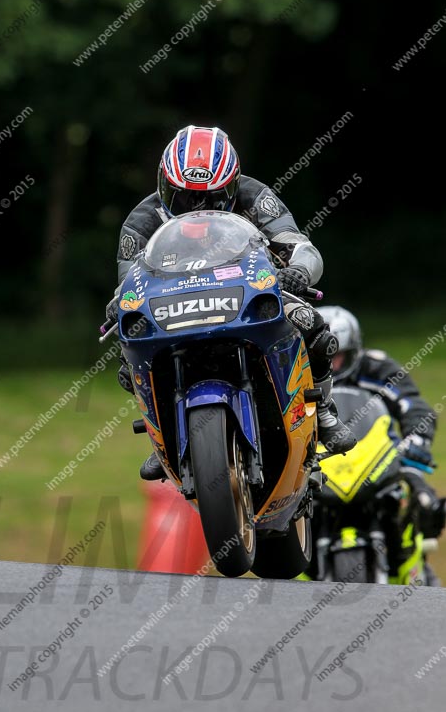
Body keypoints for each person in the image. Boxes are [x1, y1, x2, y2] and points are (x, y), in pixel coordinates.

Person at [106, 125, 356, 480]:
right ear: (164, 185)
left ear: (232, 185)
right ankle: (162, 437)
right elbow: (127, 282)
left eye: (208, 198)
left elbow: (300, 246)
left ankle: (324, 411)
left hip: (246, 293)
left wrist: (298, 271)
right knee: (128, 357)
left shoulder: (256, 198)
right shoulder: (142, 220)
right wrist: (118, 302)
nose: (195, 208)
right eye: (183, 196)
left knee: (311, 324)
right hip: (174, 303)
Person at [319, 305, 445, 582]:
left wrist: (417, 440)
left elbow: (414, 406)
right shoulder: (295, 378)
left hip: (378, 461)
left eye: (336, 357)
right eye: (320, 358)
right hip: (319, 467)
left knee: (424, 499)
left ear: (353, 350)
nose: (329, 366)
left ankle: (413, 566)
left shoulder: (376, 368)